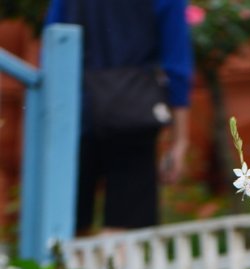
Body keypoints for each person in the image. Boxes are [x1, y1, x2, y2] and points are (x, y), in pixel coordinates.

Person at [44, 0, 193, 233]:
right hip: (133, 113)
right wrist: (180, 140)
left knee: (67, 227)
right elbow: (177, 67)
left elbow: (52, 46)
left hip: (74, 110)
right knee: (126, 227)